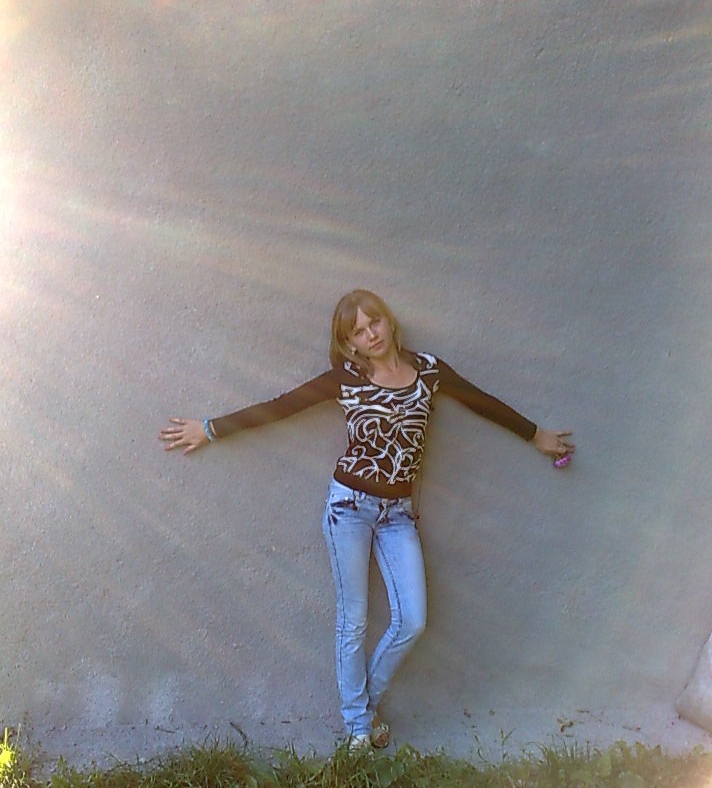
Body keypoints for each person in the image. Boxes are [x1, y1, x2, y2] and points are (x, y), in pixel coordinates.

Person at [159, 290, 574, 751]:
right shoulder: (347, 377)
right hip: (349, 508)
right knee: (353, 621)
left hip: (398, 516)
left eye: (373, 322)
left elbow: (480, 401)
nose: (369, 334)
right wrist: (210, 428)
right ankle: (358, 730)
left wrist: (536, 435)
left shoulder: (430, 371)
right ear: (349, 343)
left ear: (389, 322)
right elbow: (281, 406)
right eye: (356, 331)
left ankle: (363, 707)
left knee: (412, 621)